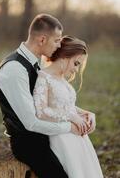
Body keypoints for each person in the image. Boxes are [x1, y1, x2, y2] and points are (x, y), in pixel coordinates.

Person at [0, 14, 74, 178]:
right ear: (42, 39)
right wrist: (69, 127)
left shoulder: (34, 63)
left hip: (45, 136)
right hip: (29, 145)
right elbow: (30, 123)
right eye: (57, 40)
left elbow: (48, 103)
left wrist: (78, 114)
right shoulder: (14, 69)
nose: (59, 46)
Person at [33, 35, 104, 178]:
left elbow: (67, 105)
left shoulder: (61, 78)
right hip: (62, 137)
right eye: (76, 63)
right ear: (65, 56)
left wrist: (87, 113)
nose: (76, 70)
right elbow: (40, 111)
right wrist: (72, 117)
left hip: (78, 136)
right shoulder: (43, 77)